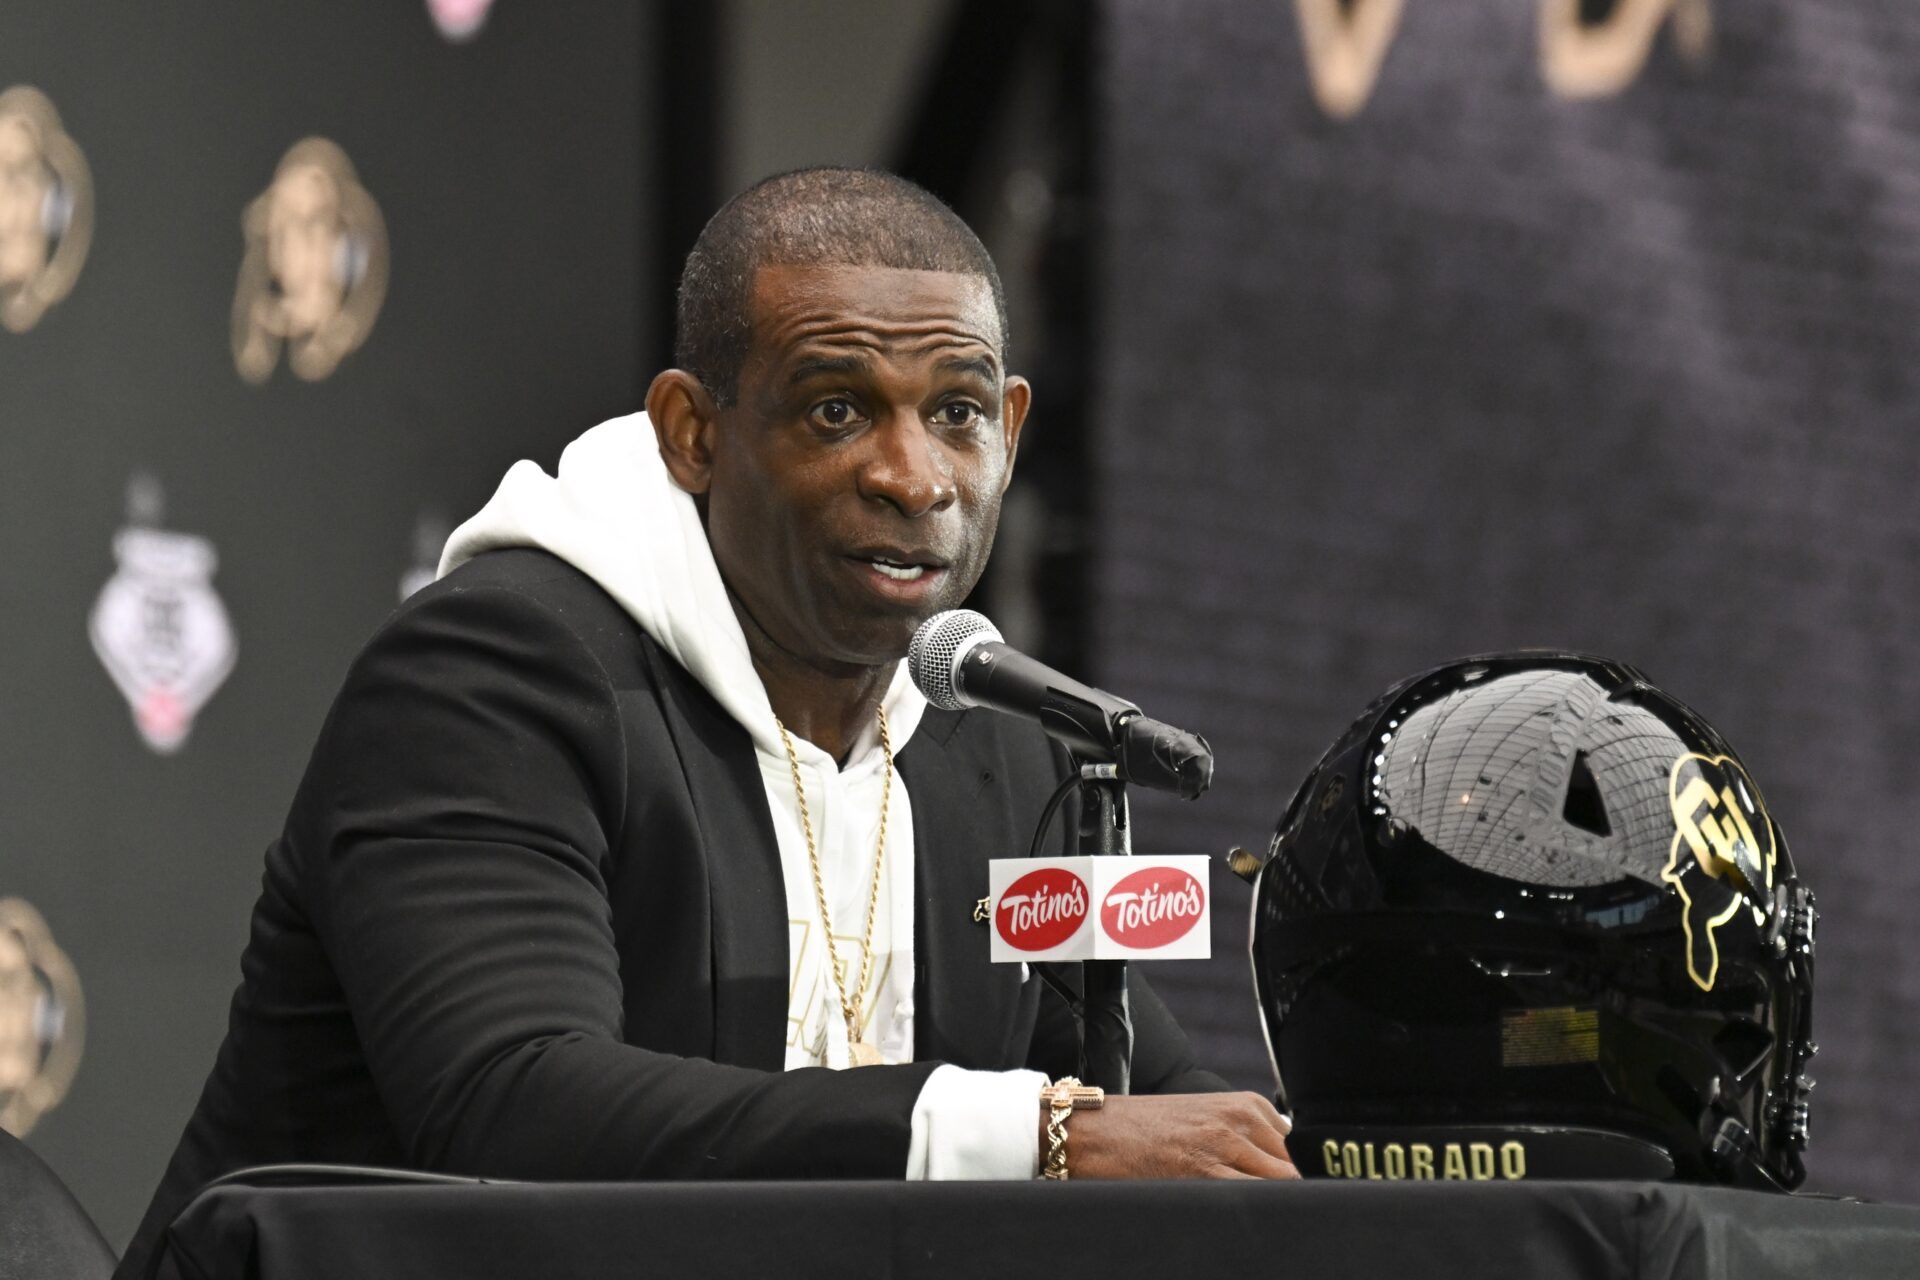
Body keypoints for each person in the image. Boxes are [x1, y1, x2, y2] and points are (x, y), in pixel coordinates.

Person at [116, 167, 1294, 1279]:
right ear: (693, 431)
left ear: (1013, 429)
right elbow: (516, 1103)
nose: (916, 475)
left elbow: (1153, 1108)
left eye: (958, 413)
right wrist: (1027, 1129)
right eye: (839, 410)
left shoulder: (997, 738)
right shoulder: (494, 675)